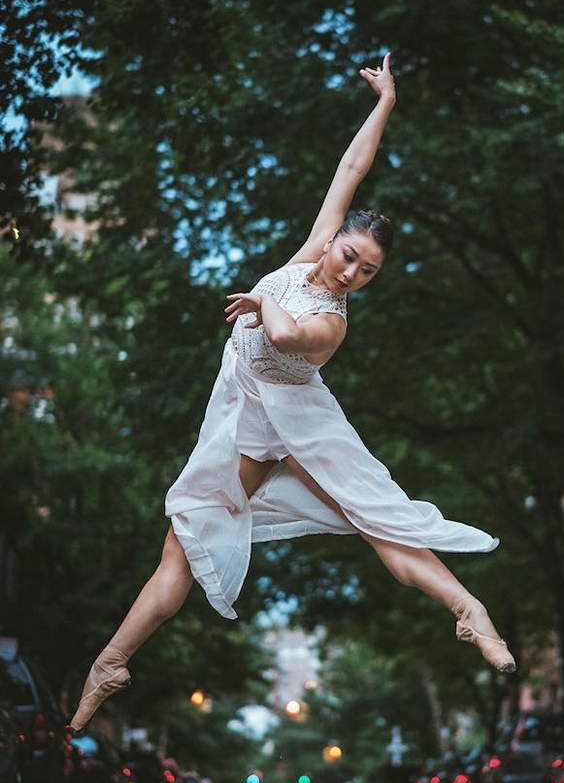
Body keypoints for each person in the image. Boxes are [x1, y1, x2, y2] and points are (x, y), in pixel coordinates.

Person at [69, 52, 515, 734]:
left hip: (299, 426)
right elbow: (350, 171)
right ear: (334, 241)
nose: (352, 272)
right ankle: (110, 663)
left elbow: (284, 336)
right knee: (182, 544)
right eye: (349, 256)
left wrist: (260, 302)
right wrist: (384, 104)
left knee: (378, 521)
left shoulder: (330, 322)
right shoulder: (312, 253)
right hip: (246, 419)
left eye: (368, 271)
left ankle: (467, 608)